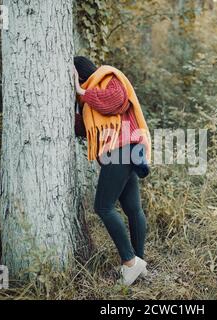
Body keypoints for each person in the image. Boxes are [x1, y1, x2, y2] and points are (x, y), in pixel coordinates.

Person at [73, 56, 151, 286]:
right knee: (132, 208)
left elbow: (116, 101)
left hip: (122, 147)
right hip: (121, 150)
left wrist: (81, 91)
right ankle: (139, 264)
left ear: (79, 74)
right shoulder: (87, 99)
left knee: (103, 207)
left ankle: (130, 262)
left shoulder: (107, 76)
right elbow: (85, 128)